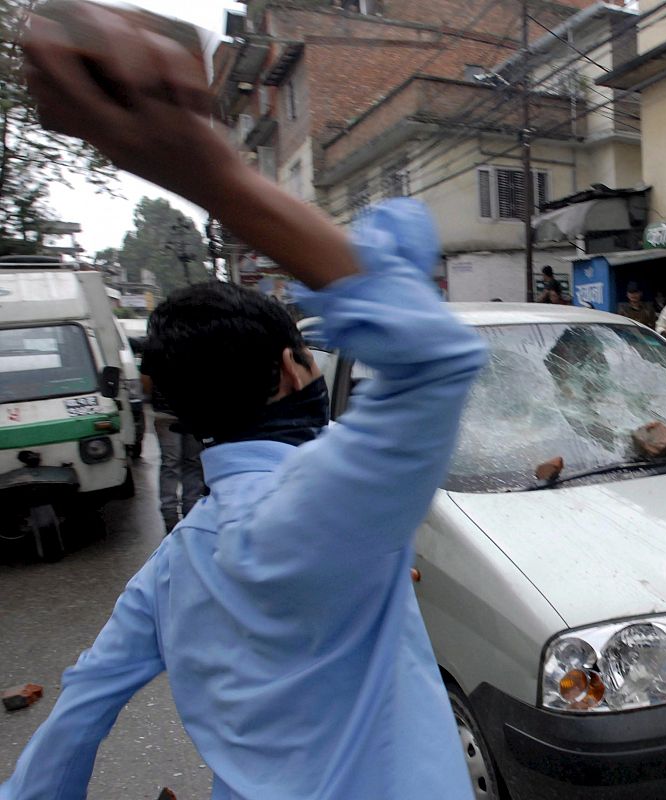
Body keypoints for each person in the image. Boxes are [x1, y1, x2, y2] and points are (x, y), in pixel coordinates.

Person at [5, 6, 486, 800]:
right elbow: (435, 359)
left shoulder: (170, 571)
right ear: (292, 372)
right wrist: (215, 175)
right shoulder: (321, 506)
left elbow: (77, 716)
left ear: (169, 408)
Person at [139, 352, 204, 533]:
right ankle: (191, 513)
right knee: (192, 463)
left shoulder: (155, 346)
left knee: (170, 464)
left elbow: (146, 380)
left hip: (165, 413)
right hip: (194, 412)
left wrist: (155, 400)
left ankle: (170, 517)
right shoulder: (197, 340)